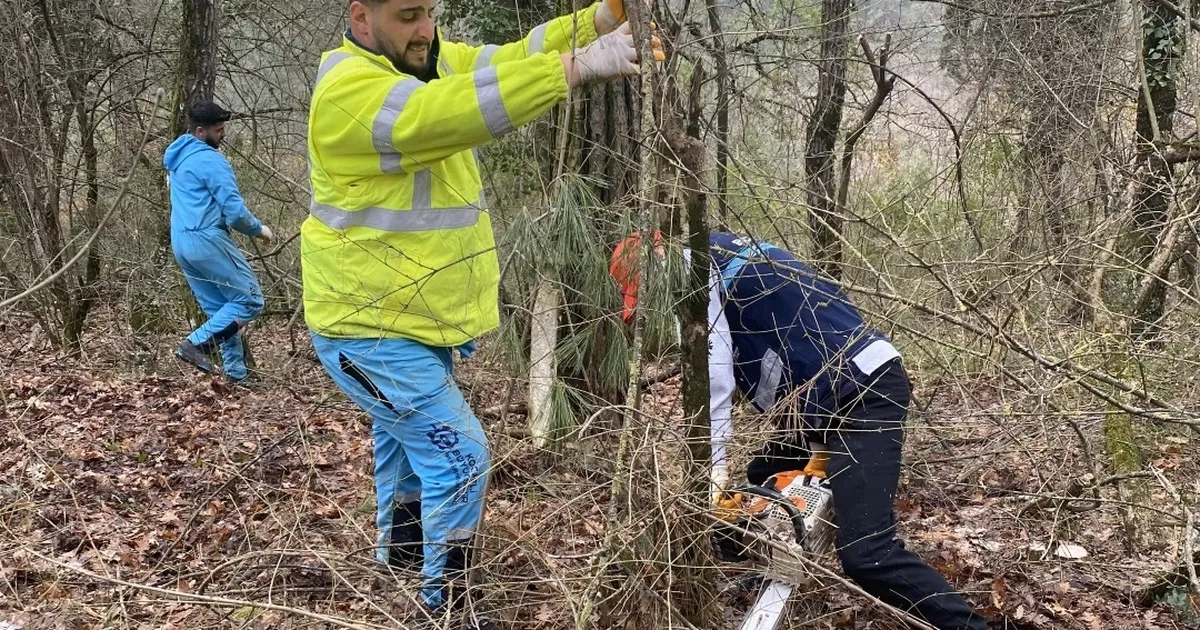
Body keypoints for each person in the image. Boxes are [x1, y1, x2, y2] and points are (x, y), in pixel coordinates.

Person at [300, 0, 664, 624]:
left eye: (430, 14)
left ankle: (403, 565)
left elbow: (509, 60)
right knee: (460, 457)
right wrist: (573, 70)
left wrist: (597, 21)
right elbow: (445, 114)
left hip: (409, 324)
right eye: (408, 16)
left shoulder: (428, 62)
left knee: (405, 450)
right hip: (370, 329)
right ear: (362, 20)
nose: (425, 31)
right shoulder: (349, 91)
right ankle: (449, 608)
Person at [608, 230, 990, 630]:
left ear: (659, 263)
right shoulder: (725, 252)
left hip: (862, 394)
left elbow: (713, 378)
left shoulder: (695, 272)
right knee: (762, 478)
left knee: (867, 554)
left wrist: (713, 471)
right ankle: (773, 560)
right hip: (828, 398)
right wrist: (813, 443)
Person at [164, 100, 274, 384]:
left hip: (181, 243)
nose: (223, 134)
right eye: (219, 129)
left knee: (221, 310)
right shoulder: (210, 160)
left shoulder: (178, 158)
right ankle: (195, 344)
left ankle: (236, 376)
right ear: (201, 132)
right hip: (206, 239)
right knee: (250, 301)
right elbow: (235, 213)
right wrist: (259, 230)